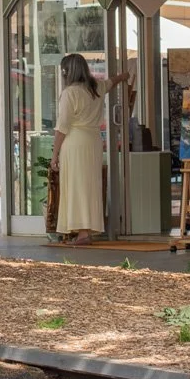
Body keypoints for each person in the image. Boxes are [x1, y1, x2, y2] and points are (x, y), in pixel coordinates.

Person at [52, 53, 130, 246]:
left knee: (76, 185)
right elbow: (111, 82)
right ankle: (85, 230)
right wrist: (125, 76)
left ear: (67, 72)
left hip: (75, 142)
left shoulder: (70, 93)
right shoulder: (95, 88)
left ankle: (82, 232)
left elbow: (62, 127)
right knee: (90, 185)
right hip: (93, 141)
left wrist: (54, 155)